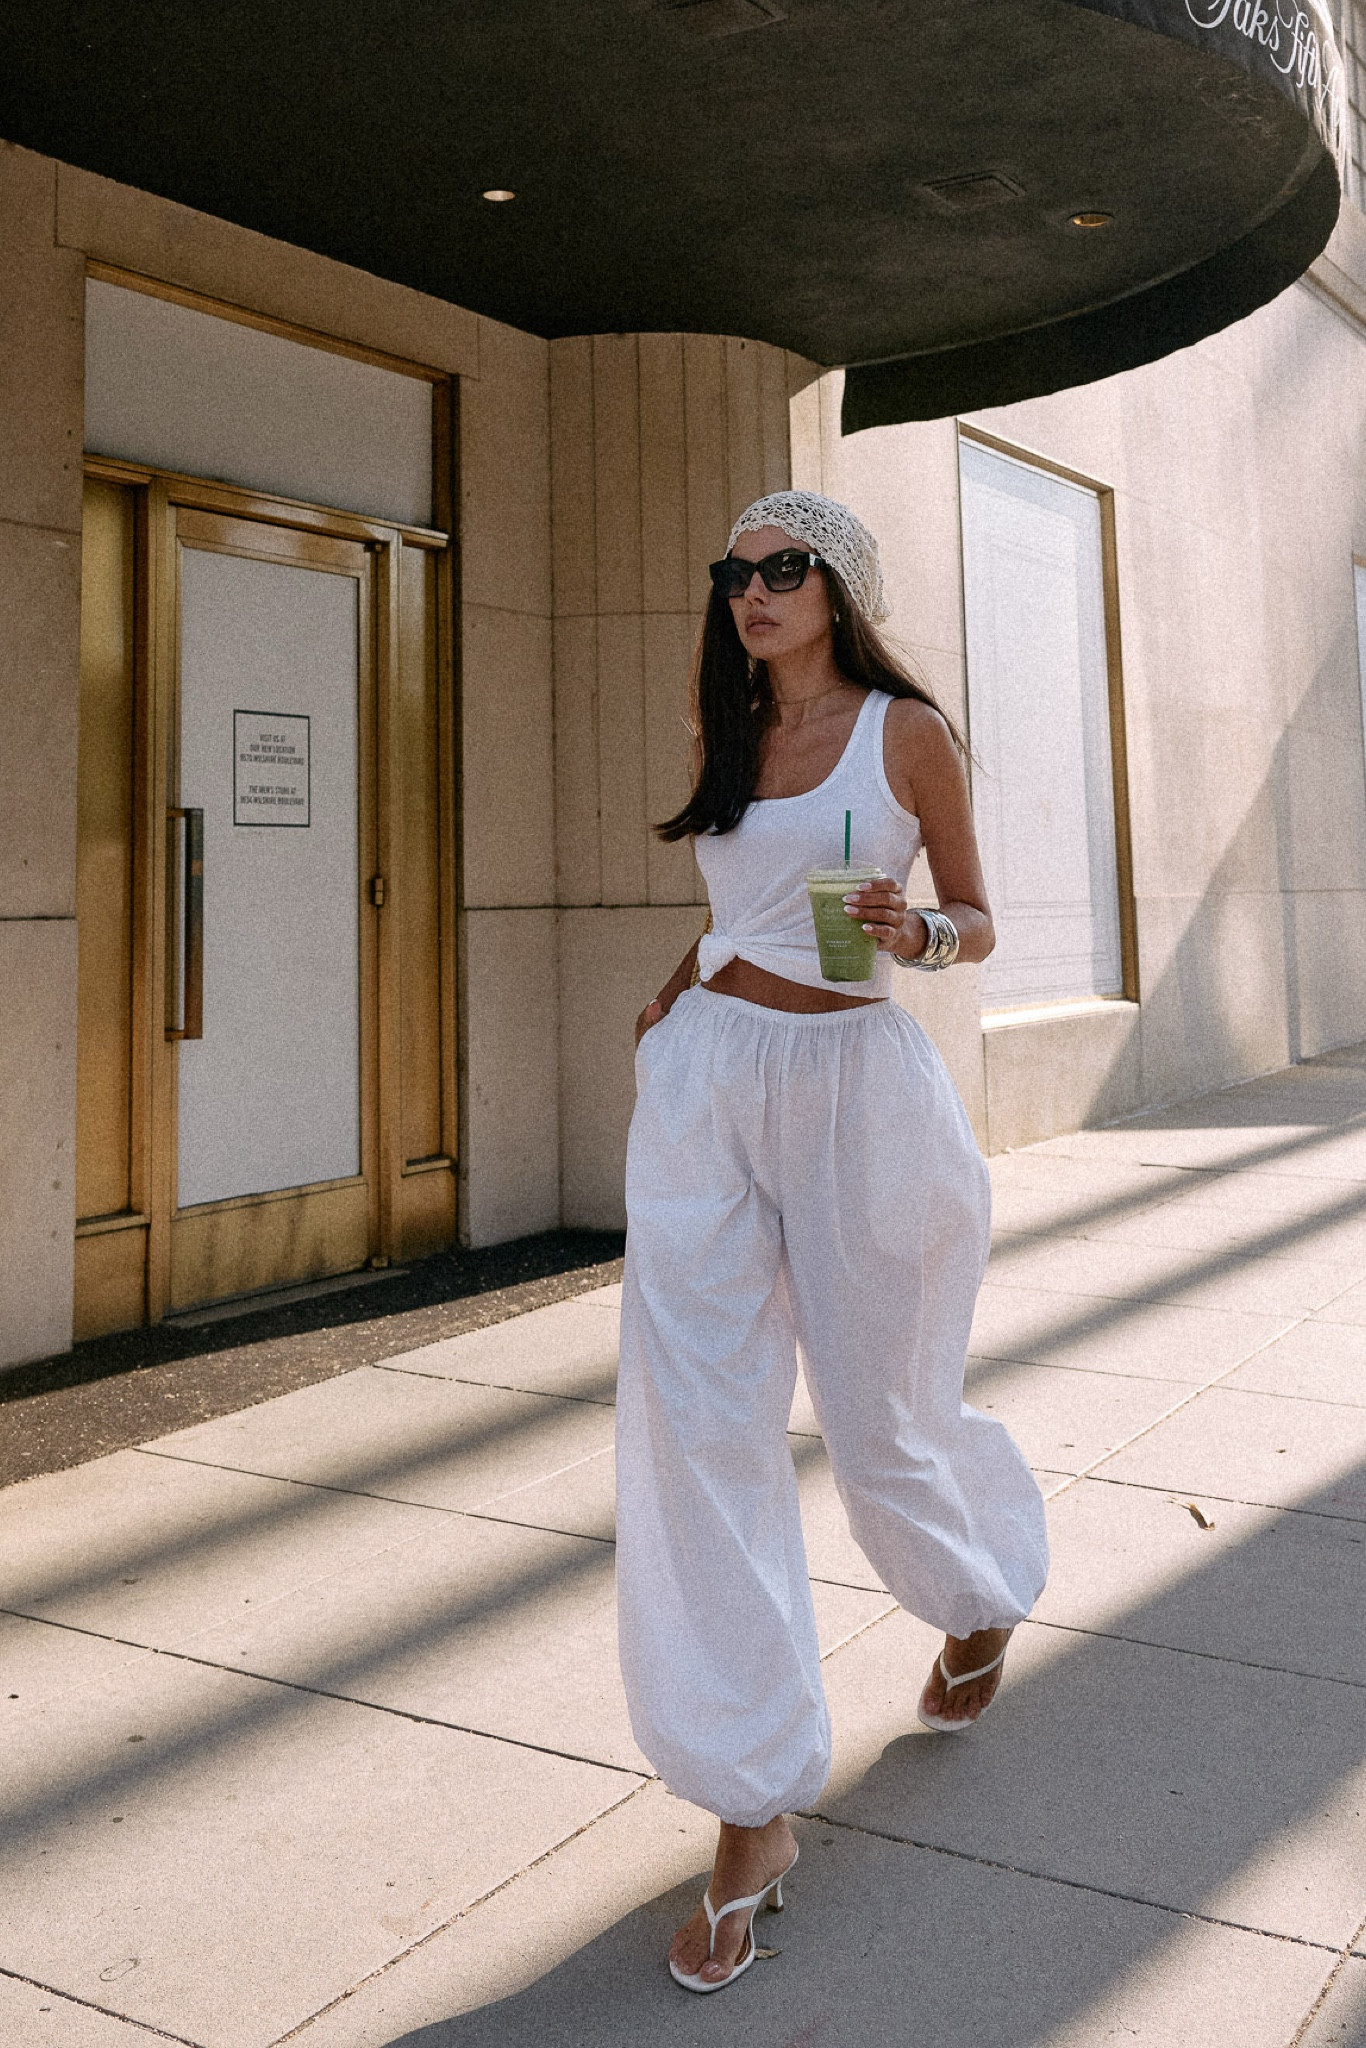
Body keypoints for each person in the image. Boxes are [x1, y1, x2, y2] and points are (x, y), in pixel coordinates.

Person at [616, 489, 1049, 1996]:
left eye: (780, 568)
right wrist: (675, 994)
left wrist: (921, 933)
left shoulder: (901, 732)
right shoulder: (723, 738)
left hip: (860, 1091)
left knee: (880, 1418)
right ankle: (749, 1803)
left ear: (837, 588)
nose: (750, 589)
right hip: (706, 1094)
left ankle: (975, 1587)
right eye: (732, 569)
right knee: (699, 1428)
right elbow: (737, 906)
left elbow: (977, 916)